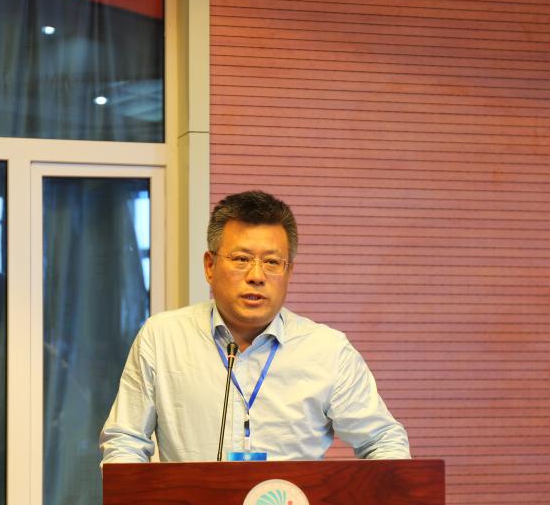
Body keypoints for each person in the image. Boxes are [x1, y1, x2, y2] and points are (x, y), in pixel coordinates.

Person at [100, 190, 409, 463]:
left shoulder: (328, 350)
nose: (257, 276)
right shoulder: (163, 338)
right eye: (241, 259)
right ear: (210, 266)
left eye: (272, 262)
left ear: (289, 272)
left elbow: (383, 441)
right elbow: (125, 442)